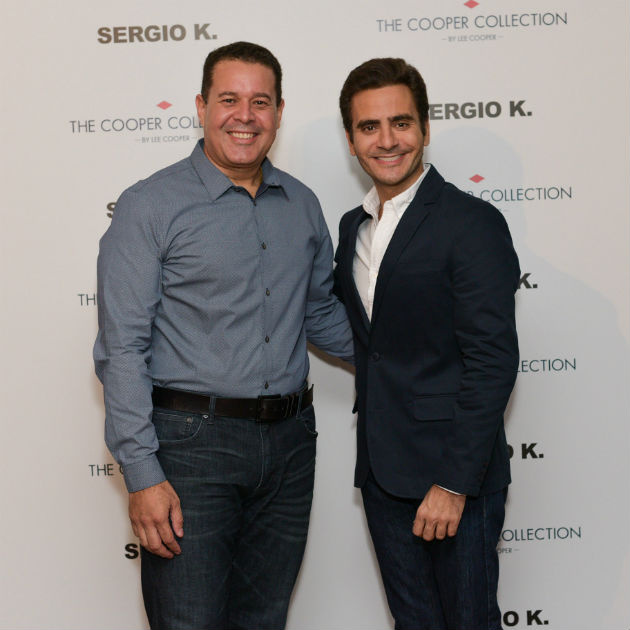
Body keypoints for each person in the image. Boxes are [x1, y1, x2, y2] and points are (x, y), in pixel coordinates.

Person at [94, 41, 353, 630]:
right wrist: (143, 474)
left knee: (264, 620)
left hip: (290, 446)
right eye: (229, 99)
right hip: (189, 450)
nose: (245, 116)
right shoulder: (149, 206)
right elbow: (122, 348)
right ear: (201, 107)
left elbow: (319, 313)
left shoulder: (302, 205)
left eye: (260, 102)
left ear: (279, 112)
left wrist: (409, 360)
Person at [333, 57, 519, 629]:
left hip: (454, 476)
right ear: (351, 140)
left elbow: (493, 361)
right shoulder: (351, 227)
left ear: (425, 128)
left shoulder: (471, 223)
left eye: (401, 123)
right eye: (369, 127)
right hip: (381, 473)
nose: (387, 141)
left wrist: (453, 483)